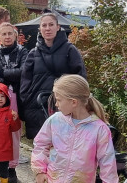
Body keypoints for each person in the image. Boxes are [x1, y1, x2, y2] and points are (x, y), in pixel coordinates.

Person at [19, 11, 87, 139]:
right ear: (40, 29)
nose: (47, 28)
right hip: (36, 107)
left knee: (63, 147)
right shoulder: (33, 53)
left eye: (51, 24)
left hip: (62, 107)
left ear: (58, 27)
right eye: (44, 25)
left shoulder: (70, 51)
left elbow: (80, 79)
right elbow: (25, 80)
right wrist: (27, 99)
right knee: (40, 149)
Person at [0, 22, 29, 183]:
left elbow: (24, 73)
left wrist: (1, 72)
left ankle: (11, 169)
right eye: (4, 34)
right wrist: (5, 83)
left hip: (15, 97)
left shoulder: (23, 52)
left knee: (13, 133)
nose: (7, 37)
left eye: (10, 33)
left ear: (15, 35)